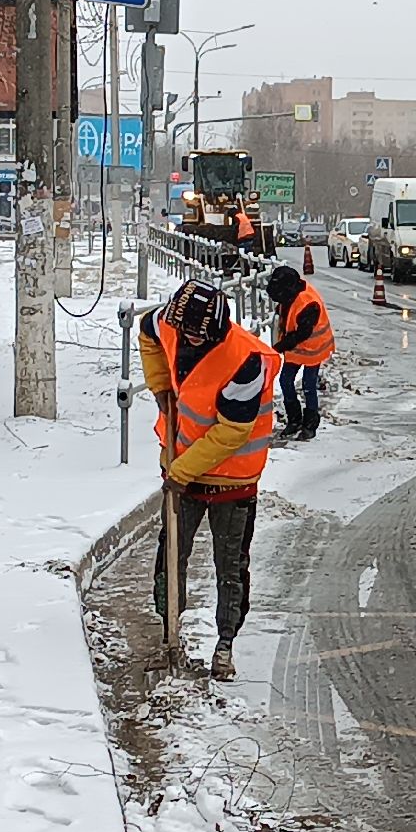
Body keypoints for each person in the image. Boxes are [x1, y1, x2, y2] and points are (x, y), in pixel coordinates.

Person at [138, 279, 281, 681]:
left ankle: (225, 643)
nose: (187, 339)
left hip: (232, 478)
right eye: (185, 333)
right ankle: (169, 634)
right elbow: (147, 332)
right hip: (182, 466)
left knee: (230, 565)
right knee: (171, 556)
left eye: (198, 336)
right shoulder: (168, 322)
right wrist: (161, 386)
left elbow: (231, 431)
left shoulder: (245, 359)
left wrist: (180, 473)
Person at [266, 266, 334, 442]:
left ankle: (310, 424)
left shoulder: (308, 303)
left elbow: (302, 333)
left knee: (308, 386)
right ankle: (294, 420)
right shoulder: (288, 295)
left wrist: (279, 347)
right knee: (285, 381)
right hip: (296, 350)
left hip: (314, 348)